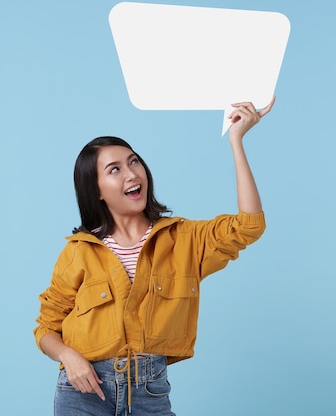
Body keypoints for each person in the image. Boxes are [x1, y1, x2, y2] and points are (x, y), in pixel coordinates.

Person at [34, 98, 275, 415]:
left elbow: (249, 226)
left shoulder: (183, 240)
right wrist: (68, 356)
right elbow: (46, 328)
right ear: (97, 191)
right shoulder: (79, 251)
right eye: (115, 170)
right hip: (83, 392)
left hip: (149, 392)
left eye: (134, 162)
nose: (131, 174)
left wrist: (236, 141)